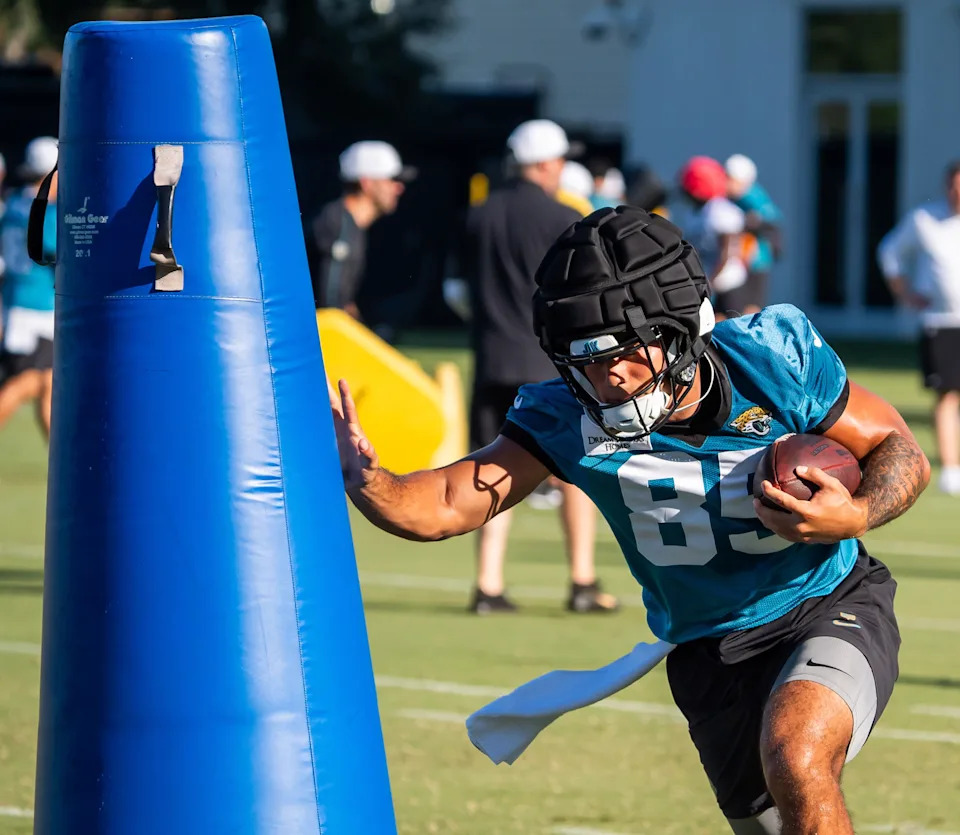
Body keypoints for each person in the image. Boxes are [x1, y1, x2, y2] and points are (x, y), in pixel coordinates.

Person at [331, 206, 929, 834]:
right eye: (584, 360)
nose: (607, 376)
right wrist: (370, 481)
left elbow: (897, 448)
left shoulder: (767, 359)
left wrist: (854, 514)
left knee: (798, 753)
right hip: (709, 649)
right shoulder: (566, 416)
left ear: (682, 330)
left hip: (826, 601)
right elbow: (449, 503)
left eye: (624, 353)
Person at [461, 118, 618, 614]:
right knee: (574, 469)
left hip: (490, 358)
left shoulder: (479, 216)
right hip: (548, 363)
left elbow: (458, 291)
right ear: (548, 163)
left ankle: (487, 585)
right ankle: (582, 581)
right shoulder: (561, 218)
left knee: (490, 467)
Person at [878, 160, 960, 495]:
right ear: (947, 186)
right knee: (947, 395)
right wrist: (905, 292)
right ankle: (951, 469)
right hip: (940, 322)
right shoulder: (925, 220)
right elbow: (890, 252)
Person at [310, 140, 415, 319]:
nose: (399, 188)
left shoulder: (350, 225)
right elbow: (330, 308)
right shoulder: (336, 224)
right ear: (367, 183)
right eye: (392, 180)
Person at [0, 137, 58, 439]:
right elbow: (55, 249)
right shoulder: (44, 211)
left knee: (49, 383)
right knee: (25, 382)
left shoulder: (13, 206)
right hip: (35, 307)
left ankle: (62, 464)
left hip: (17, 301)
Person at [677, 156, 751, 319]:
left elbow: (726, 252)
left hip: (727, 281)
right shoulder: (694, 212)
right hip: (708, 279)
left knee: (731, 330)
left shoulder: (720, 211)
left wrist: (710, 281)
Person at [726, 154, 783, 314]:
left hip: (755, 261)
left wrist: (748, 222)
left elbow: (771, 221)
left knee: (749, 308)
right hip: (746, 260)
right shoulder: (737, 197)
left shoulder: (751, 196)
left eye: (729, 178)